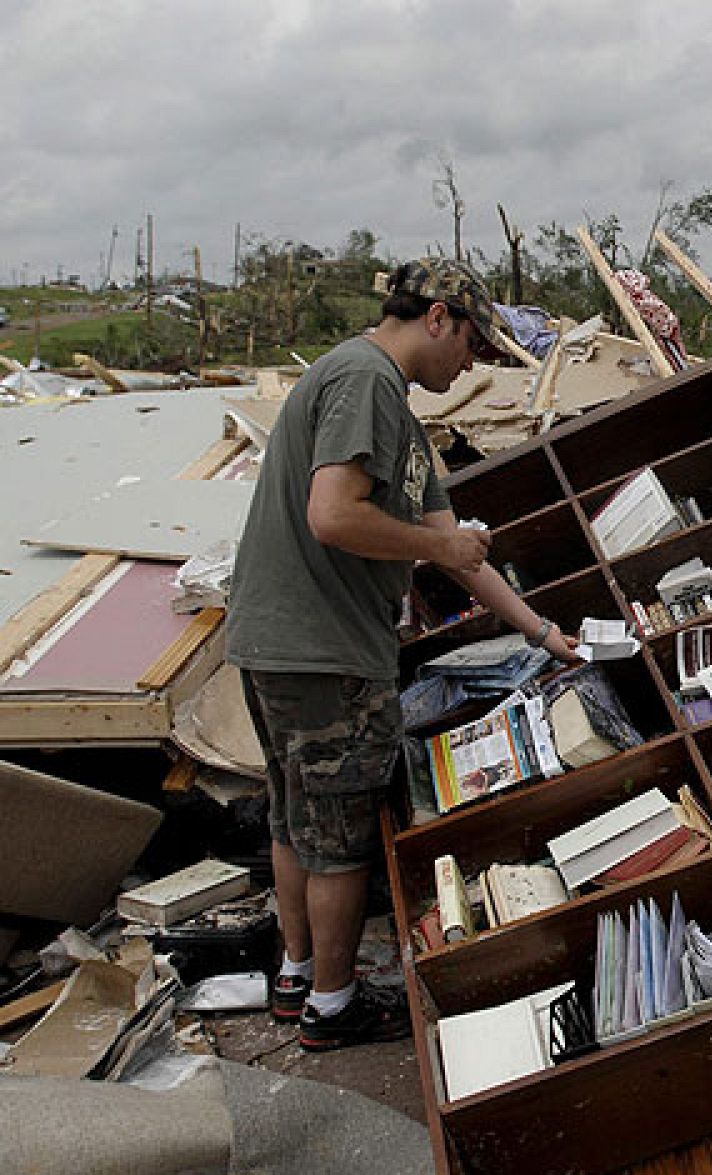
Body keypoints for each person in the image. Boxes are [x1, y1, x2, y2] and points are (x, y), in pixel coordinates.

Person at [225, 258, 582, 1051]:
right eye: (471, 347)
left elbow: (459, 554)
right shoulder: (367, 380)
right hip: (324, 654)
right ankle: (332, 1006)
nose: (469, 369)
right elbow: (334, 515)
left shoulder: (396, 416)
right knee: (341, 841)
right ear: (439, 318)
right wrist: (434, 541)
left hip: (276, 644)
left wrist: (541, 632)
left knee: (295, 822)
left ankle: (297, 976)